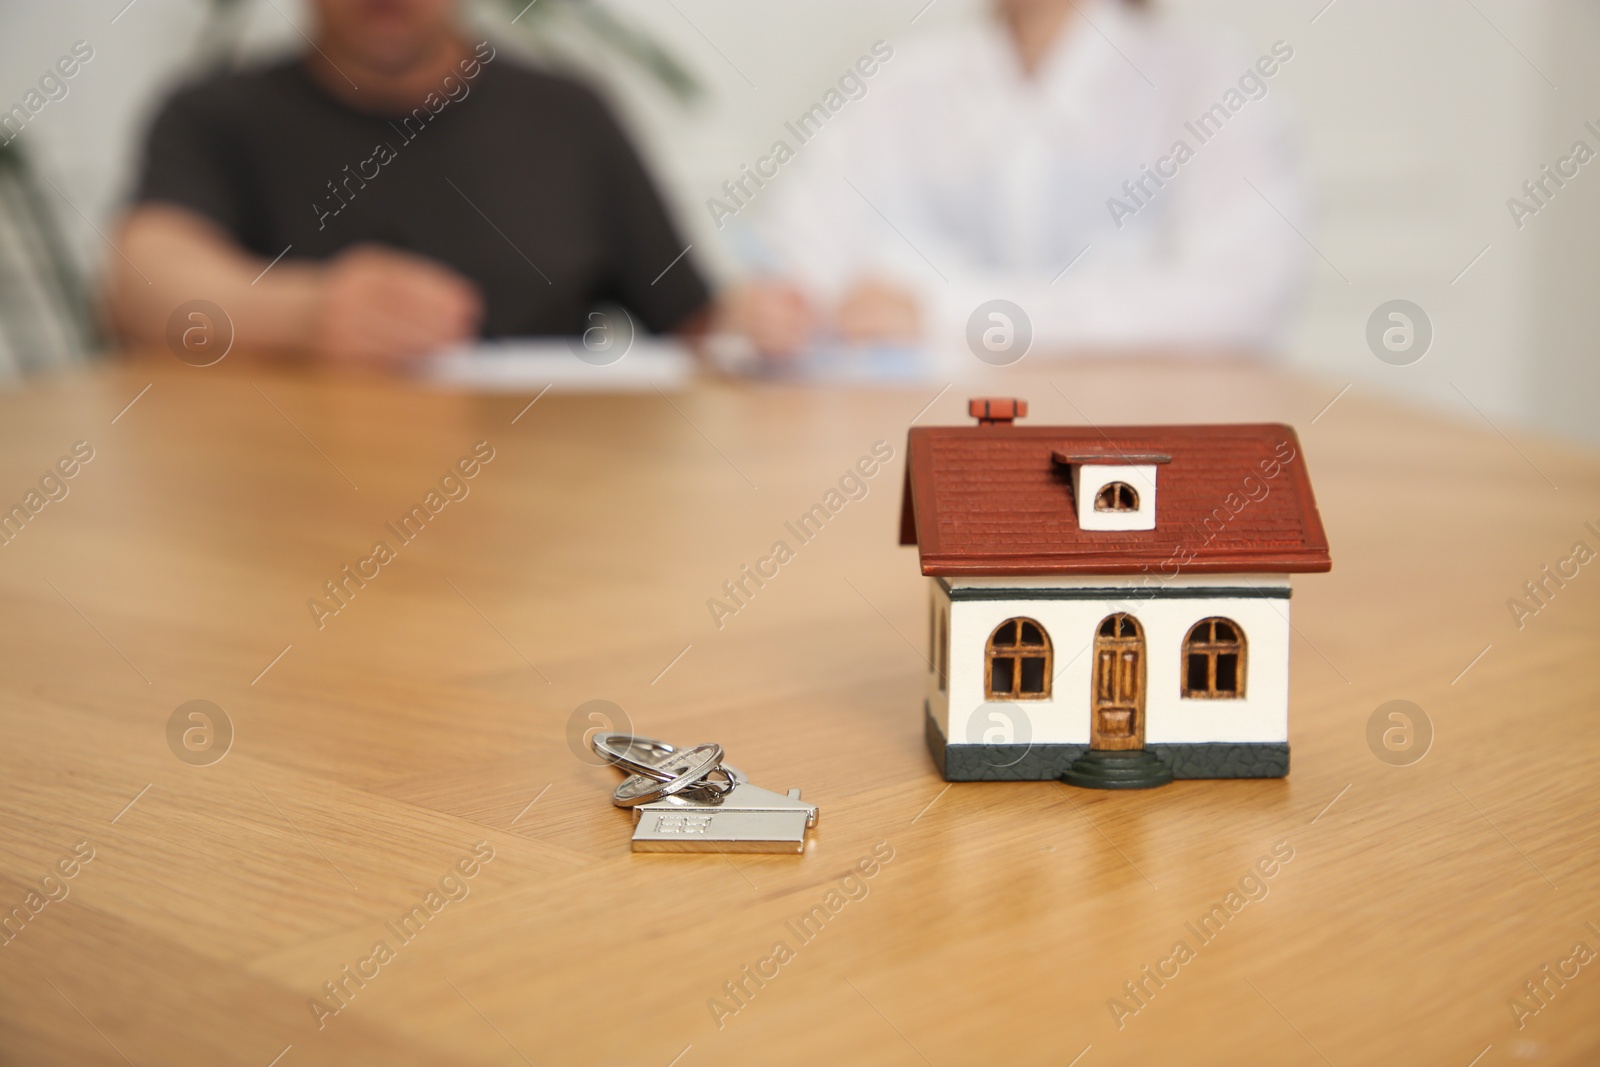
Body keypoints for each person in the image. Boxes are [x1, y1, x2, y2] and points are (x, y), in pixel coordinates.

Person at [108, 0, 710, 367]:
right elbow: (141, 283)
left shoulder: (570, 113)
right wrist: (308, 313)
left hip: (539, 504)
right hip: (286, 501)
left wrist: (757, 327)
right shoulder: (215, 114)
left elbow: (693, 320)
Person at [726, 0, 1309, 359]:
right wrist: (784, 307)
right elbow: (805, 249)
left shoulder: (1207, 80)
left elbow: (1238, 298)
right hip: (915, 444)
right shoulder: (903, 80)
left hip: (1148, 449)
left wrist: (945, 312)